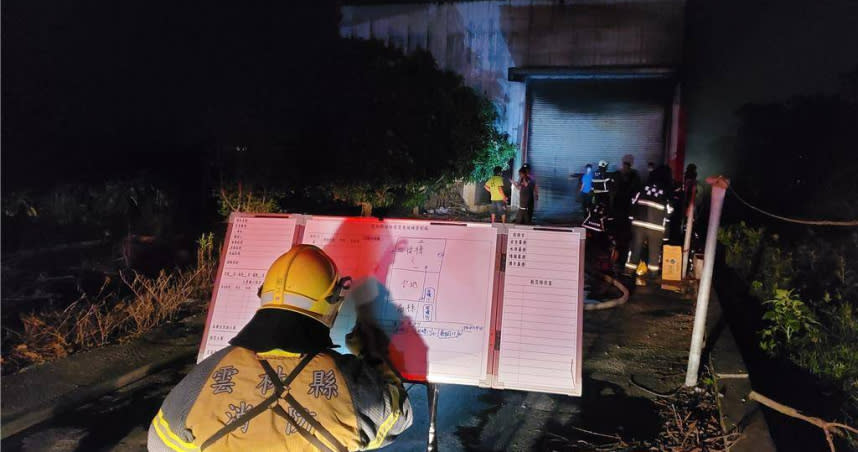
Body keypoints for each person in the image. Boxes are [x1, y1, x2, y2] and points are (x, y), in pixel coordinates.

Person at [148, 245, 413, 452]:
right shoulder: (350, 384)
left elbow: (160, 443)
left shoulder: (202, 380)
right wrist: (371, 353)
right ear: (332, 304)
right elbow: (399, 415)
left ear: (264, 296)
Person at [624, 165, 674, 285]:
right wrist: (666, 232)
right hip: (656, 227)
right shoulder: (666, 192)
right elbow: (669, 211)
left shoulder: (642, 189)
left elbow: (633, 203)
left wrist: (631, 220)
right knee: (654, 252)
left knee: (635, 248)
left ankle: (629, 271)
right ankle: (652, 275)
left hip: (639, 224)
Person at [582, 160, 614, 232]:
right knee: (605, 210)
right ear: (604, 166)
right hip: (604, 195)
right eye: (606, 166)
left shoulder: (594, 174)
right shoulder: (605, 175)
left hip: (596, 194)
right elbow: (610, 184)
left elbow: (592, 184)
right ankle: (601, 224)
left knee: (595, 209)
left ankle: (592, 223)